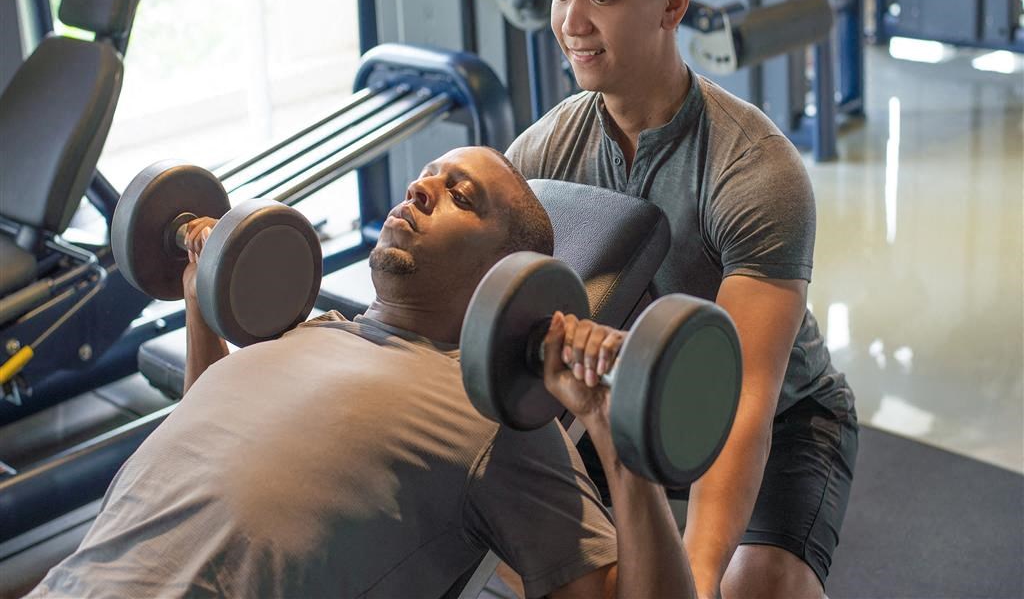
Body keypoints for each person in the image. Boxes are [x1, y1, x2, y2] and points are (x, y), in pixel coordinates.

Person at [29, 146, 695, 599]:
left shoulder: (497, 420)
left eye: (459, 195)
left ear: (506, 275)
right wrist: (201, 300)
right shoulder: (311, 333)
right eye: (428, 176)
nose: (420, 187)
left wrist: (621, 446)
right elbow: (213, 437)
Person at [506, 0, 858, 599]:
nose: (570, 23)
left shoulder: (755, 170)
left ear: (673, 5)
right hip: (614, 401)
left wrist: (695, 580)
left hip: (785, 417)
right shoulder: (542, 153)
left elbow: (742, 404)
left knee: (748, 587)